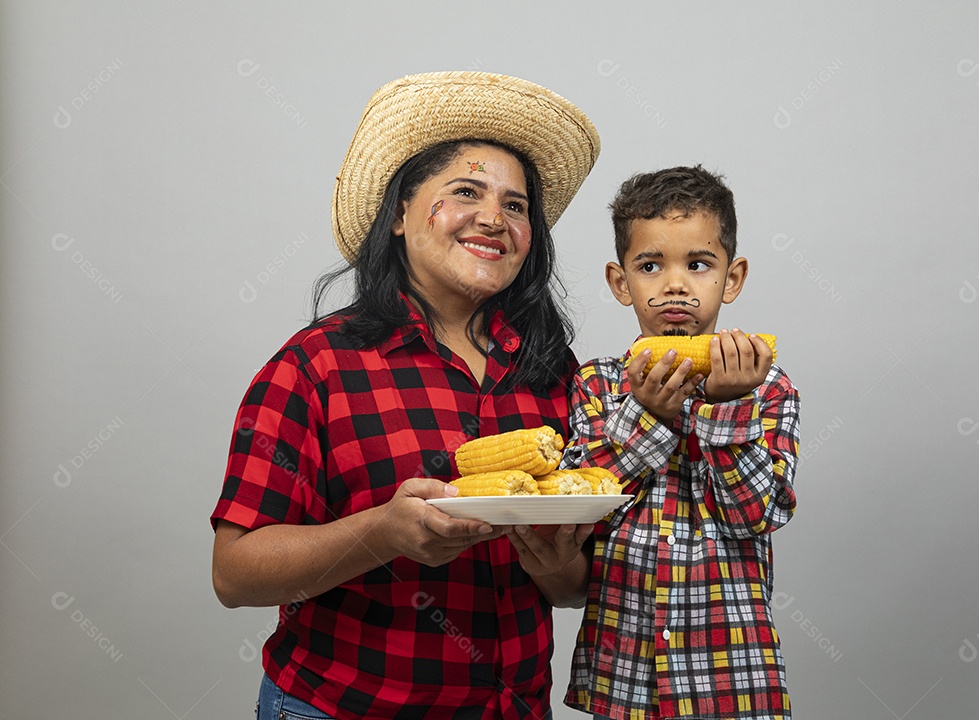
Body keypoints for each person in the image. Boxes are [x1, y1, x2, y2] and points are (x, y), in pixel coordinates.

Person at [210, 71, 600, 720]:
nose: (492, 218)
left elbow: (572, 588)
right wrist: (381, 533)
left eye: (515, 204)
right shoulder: (315, 367)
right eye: (466, 192)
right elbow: (234, 572)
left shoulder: (556, 373)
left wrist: (558, 565)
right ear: (398, 215)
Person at [561, 166, 800, 719]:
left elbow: (757, 514)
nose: (675, 284)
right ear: (621, 283)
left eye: (698, 264)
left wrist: (725, 409)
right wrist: (647, 414)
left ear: (732, 278)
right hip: (624, 670)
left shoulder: (766, 387)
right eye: (650, 265)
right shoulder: (597, 384)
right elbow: (582, 507)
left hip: (733, 671)